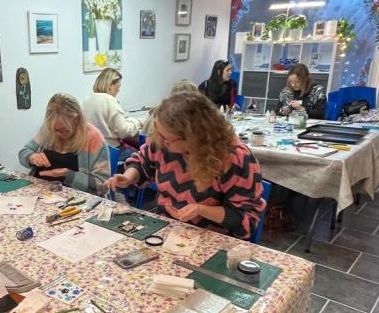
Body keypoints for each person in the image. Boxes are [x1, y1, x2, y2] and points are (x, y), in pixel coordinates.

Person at [106, 92, 265, 239]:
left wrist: (200, 210)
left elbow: (246, 220)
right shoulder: (162, 141)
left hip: (212, 238)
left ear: (193, 138)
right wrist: (129, 177)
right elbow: (142, 162)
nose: (159, 141)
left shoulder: (235, 158)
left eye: (167, 139)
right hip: (166, 228)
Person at [19, 93, 110, 194]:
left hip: (74, 197)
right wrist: (31, 157)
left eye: (63, 130)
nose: (57, 134)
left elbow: (103, 186)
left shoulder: (94, 138)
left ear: (76, 120)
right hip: (41, 191)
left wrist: (68, 175)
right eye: (54, 130)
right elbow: (23, 152)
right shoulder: (50, 127)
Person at [81, 68, 141, 149]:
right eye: (118, 86)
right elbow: (125, 132)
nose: (119, 90)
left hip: (91, 150)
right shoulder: (110, 101)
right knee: (140, 154)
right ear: (110, 86)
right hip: (110, 150)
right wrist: (137, 122)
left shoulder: (86, 100)